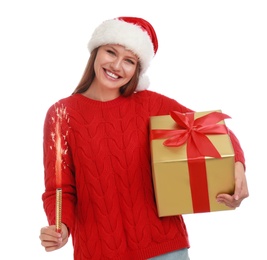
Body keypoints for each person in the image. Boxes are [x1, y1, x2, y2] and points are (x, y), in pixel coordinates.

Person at [39, 16, 249, 260]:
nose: (117, 65)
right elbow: (59, 189)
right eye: (111, 52)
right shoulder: (61, 114)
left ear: (137, 69)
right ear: (96, 51)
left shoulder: (152, 105)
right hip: (97, 253)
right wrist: (60, 227)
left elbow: (215, 130)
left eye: (129, 60)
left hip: (165, 250)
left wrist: (238, 166)